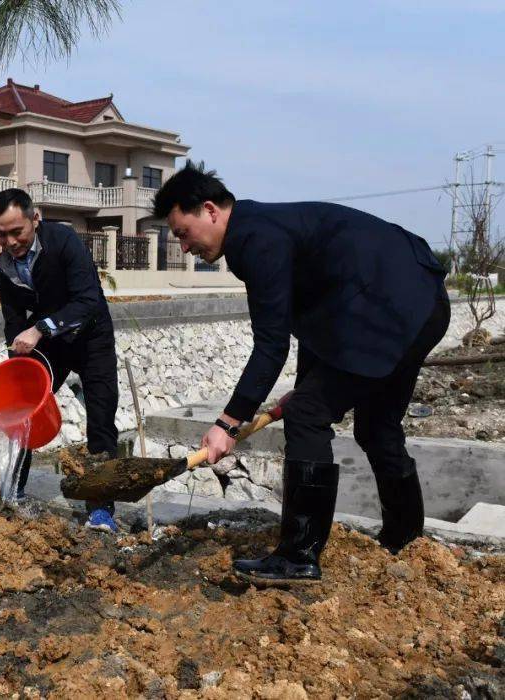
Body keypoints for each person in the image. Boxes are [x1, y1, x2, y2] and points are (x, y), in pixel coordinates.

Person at [152, 162, 449, 583]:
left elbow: (271, 345)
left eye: (183, 233)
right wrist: (307, 383)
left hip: (389, 308)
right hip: (419, 303)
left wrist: (226, 423)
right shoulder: (265, 226)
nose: (184, 247)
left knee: (309, 414)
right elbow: (313, 315)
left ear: (210, 210)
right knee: (376, 426)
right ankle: (406, 539)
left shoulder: (254, 239)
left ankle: (298, 555)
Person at [0, 188, 120, 532]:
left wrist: (42, 328)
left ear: (35, 219)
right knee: (20, 411)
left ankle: (101, 510)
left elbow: (88, 299)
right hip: (50, 343)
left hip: (91, 337)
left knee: (102, 421)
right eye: (1, 234)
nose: (11, 241)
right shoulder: (1, 268)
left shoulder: (64, 242)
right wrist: (16, 362)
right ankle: (13, 492)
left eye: (17, 231)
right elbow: (14, 320)